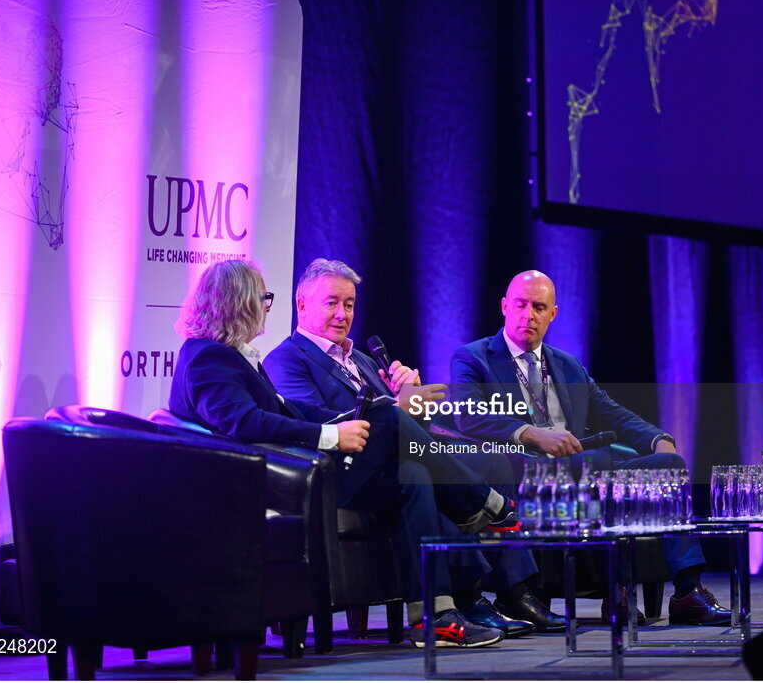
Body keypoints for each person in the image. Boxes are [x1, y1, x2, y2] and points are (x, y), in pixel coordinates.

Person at [169, 259, 516, 647]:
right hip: (279, 482)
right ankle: (487, 506)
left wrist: (345, 421)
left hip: (296, 471)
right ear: (238, 301)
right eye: (262, 298)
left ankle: (433, 617)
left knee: (412, 476)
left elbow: (290, 410)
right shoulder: (208, 356)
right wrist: (331, 435)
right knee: (390, 417)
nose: (267, 307)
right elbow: (243, 422)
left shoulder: (230, 355)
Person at [263, 258, 564, 634]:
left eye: (350, 304)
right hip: (337, 472)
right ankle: (480, 549)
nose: (343, 314)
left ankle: (503, 594)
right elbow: (317, 423)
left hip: (387, 463)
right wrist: (395, 407)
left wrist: (412, 402)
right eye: (331, 303)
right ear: (302, 304)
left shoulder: (360, 358)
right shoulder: (286, 359)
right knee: (413, 461)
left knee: (486, 462)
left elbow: (405, 428)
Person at [450, 270, 732, 627]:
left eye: (539, 307)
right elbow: (467, 416)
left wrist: (656, 438)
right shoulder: (474, 358)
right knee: (596, 461)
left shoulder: (567, 364)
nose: (528, 314)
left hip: (584, 467)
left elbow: (609, 410)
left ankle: (688, 591)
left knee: (666, 465)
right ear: (505, 306)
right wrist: (532, 434)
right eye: (520, 305)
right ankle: (619, 592)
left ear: (552, 314)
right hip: (526, 472)